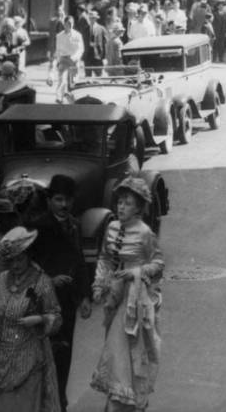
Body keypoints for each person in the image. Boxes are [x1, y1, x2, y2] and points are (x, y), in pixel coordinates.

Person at [90, 176, 163, 412]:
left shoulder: (145, 233)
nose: (121, 207)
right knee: (116, 352)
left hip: (136, 299)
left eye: (128, 203)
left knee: (127, 348)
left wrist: (135, 272)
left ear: (139, 208)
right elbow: (105, 258)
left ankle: (125, 404)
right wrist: (99, 284)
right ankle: (119, 401)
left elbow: (158, 264)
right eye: (120, 202)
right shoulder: (111, 227)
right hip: (115, 295)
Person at [28, 175, 92, 412]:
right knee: (44, 356)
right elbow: (27, 265)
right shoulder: (38, 227)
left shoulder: (74, 224)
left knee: (64, 354)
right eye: (58, 199)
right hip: (42, 303)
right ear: (49, 200)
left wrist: (85, 296)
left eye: (68, 200)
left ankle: (60, 403)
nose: (64, 205)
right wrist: (49, 280)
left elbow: (80, 261)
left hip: (67, 303)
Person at [0, 226, 62, 411]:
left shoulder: (42, 282)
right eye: (11, 260)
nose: (15, 265)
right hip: (2, 361)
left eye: (20, 259)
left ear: (29, 255)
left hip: (29, 360)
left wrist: (40, 319)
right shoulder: (2, 279)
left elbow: (56, 317)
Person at [54, 16, 84, 102]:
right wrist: (58, 61)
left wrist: (74, 58)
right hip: (63, 59)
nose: (70, 25)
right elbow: (58, 50)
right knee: (61, 79)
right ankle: (59, 98)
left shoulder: (78, 35)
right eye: (68, 23)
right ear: (64, 24)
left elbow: (81, 49)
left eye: (71, 23)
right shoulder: (59, 36)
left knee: (74, 81)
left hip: (74, 60)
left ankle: (74, 99)